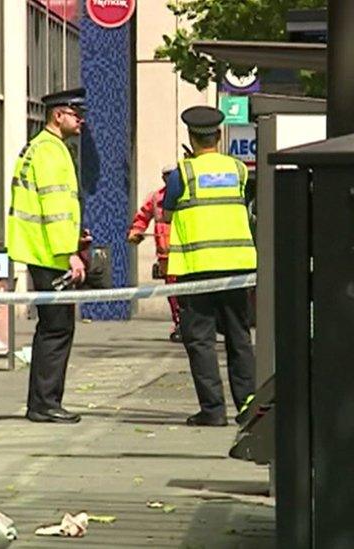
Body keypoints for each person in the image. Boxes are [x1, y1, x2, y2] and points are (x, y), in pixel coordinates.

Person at [163, 106, 256, 427]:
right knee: (239, 338)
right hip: (237, 268)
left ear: (191, 137)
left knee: (201, 341)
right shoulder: (239, 169)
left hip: (197, 271)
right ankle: (248, 407)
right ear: (219, 136)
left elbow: (166, 214)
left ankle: (213, 411)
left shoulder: (182, 174)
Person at [6, 88, 89, 424]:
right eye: (75, 113)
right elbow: (55, 208)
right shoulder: (53, 152)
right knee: (57, 329)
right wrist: (69, 252)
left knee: (52, 327)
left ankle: (42, 402)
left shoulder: (37, 147)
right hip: (50, 253)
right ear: (58, 115)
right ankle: (45, 403)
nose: (81, 120)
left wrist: (74, 236)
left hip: (41, 248)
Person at [128, 165, 182, 342]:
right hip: (166, 255)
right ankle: (179, 323)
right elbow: (143, 217)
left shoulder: (185, 195)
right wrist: (136, 232)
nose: (168, 178)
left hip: (184, 253)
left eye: (171, 175)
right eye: (165, 175)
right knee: (173, 293)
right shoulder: (156, 197)